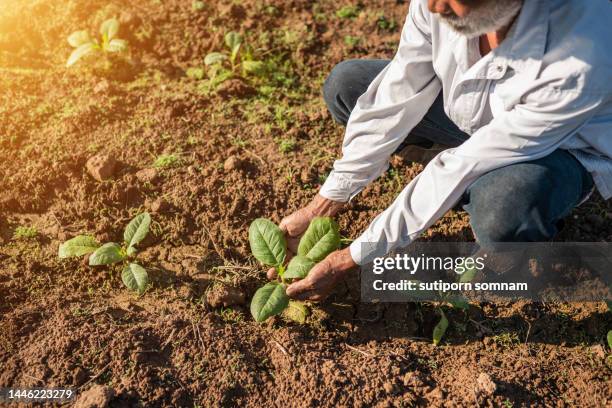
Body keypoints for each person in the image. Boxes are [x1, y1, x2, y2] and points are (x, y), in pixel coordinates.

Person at [270, 0, 612, 301]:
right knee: (348, 86)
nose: (434, 6)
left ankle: (510, 221)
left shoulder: (581, 58)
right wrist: (324, 204)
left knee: (503, 208)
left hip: (563, 148)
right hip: (475, 120)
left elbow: (463, 163)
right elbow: (397, 93)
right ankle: (459, 194)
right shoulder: (438, 3)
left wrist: (350, 257)